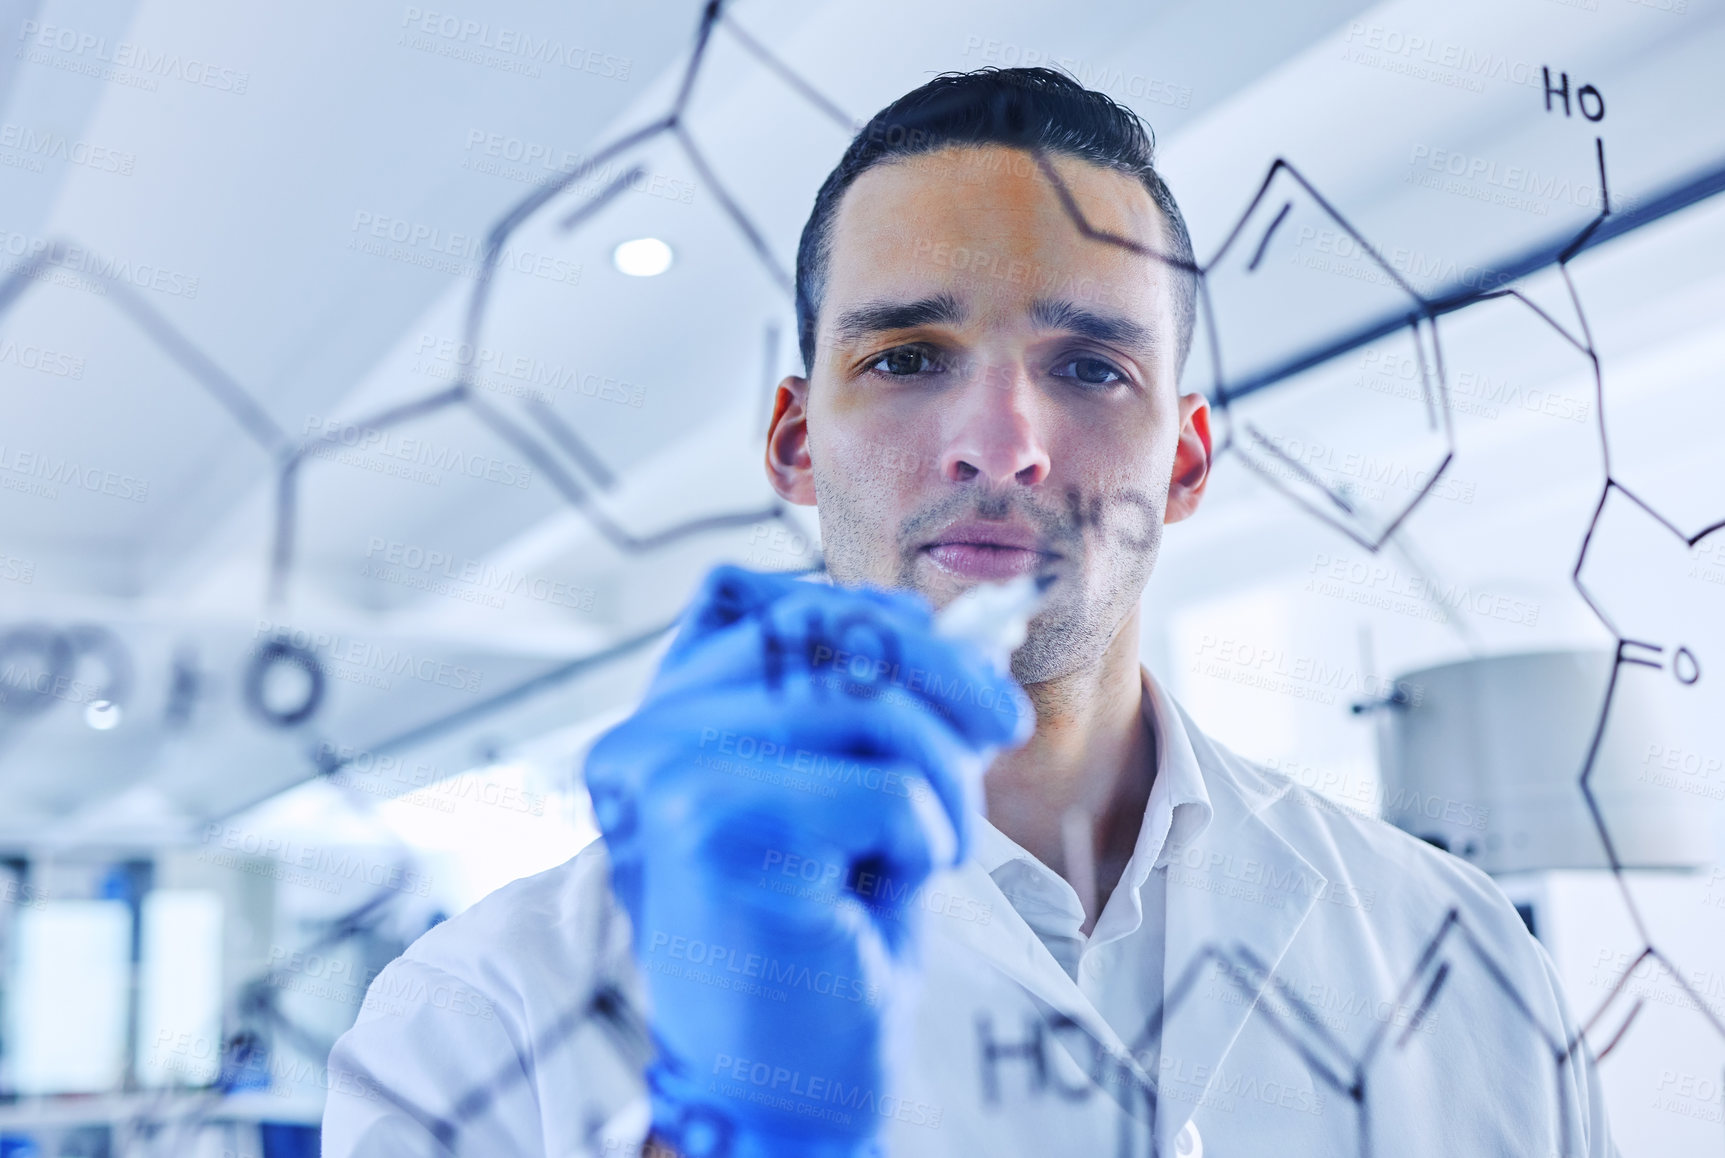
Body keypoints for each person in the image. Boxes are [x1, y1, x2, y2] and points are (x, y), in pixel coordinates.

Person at [323, 68, 1615, 1158]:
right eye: (906, 358)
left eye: (1091, 367)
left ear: (1184, 460)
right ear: (793, 442)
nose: (1000, 445)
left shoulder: (1462, 958)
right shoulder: (485, 1010)